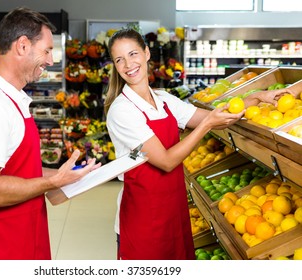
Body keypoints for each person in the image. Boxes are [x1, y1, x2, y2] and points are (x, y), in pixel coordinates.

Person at [104, 28, 292, 260]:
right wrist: (206, 126)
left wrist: (257, 98)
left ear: (146, 53)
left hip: (174, 210)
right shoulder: (121, 110)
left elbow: (214, 117)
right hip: (143, 217)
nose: (128, 64)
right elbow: (165, 161)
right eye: (119, 59)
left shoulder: (164, 100)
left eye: (133, 54)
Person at [0, 7, 99, 260]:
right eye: (46, 50)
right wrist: (52, 182)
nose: (51, 61)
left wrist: (67, 176)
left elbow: (21, 171)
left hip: (25, 232)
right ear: (22, 46)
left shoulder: (12, 100)